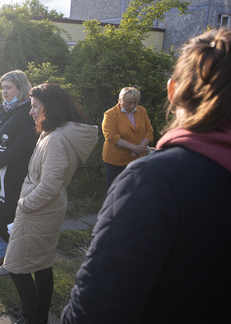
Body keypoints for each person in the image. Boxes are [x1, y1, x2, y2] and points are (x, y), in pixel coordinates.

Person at [61, 29, 231, 324]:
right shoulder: (112, 115)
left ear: (173, 91)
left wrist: (143, 148)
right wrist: (137, 148)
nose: (130, 105)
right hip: (119, 158)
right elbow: (110, 136)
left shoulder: (155, 181)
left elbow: (95, 311)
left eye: (133, 101)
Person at [5, 84, 98, 324]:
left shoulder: (56, 139)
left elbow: (49, 186)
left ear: (50, 107)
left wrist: (24, 204)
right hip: (44, 208)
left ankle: (32, 317)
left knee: (16, 265)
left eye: (35, 106)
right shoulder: (54, 132)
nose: (30, 111)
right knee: (41, 262)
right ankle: (38, 314)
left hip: (40, 208)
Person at [0, 70, 38, 276]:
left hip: (12, 175)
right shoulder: (1, 109)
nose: (4, 91)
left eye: (8, 87)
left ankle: (12, 259)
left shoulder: (27, 113)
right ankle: (4, 255)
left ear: (20, 89)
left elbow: (22, 146)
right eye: (2, 87)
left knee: (8, 217)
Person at [101, 87, 153, 191]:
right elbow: (111, 137)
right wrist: (134, 148)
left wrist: (140, 148)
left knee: (136, 188)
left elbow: (149, 131)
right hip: (116, 160)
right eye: (129, 103)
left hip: (138, 157)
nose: (132, 106)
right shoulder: (110, 114)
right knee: (115, 189)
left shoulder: (141, 111)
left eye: (135, 102)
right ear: (120, 100)